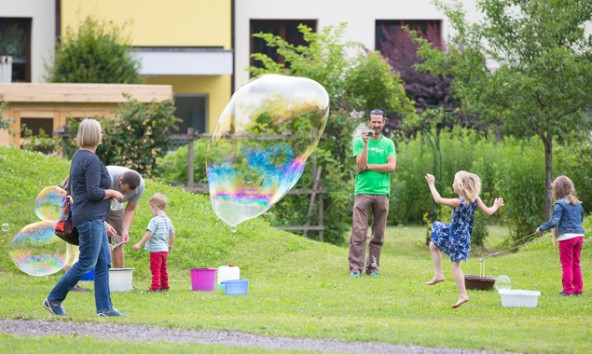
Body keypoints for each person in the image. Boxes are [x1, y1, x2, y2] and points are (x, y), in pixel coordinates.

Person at [44, 118, 127, 317]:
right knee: (87, 262)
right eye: (100, 131)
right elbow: (93, 192)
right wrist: (112, 193)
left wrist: (104, 221)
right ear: (92, 134)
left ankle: (105, 308)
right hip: (90, 218)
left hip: (93, 218)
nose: (101, 135)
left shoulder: (79, 156)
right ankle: (53, 298)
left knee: (103, 263)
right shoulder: (90, 159)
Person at [425, 171, 504, 308]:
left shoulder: (458, 202)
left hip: (456, 237)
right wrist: (495, 206)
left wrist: (431, 184)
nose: (453, 184)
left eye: (455, 182)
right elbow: (489, 211)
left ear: (461, 186)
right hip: (461, 235)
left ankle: (463, 294)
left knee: (456, 266)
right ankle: (438, 274)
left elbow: (438, 200)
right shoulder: (475, 199)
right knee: (433, 244)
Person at [348, 109, 397, 278]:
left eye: (379, 122)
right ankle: (355, 268)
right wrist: (366, 144)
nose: (376, 125)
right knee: (359, 231)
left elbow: (391, 167)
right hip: (363, 192)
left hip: (382, 193)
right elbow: (360, 166)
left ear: (384, 123)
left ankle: (373, 267)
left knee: (378, 232)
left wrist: (370, 166)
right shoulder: (359, 142)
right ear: (369, 123)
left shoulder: (389, 144)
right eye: (373, 122)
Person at [535, 176, 585, 296]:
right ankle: (578, 290)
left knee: (567, 264)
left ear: (556, 190)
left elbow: (554, 222)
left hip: (567, 238)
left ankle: (567, 290)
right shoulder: (578, 203)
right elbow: (581, 218)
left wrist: (541, 228)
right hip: (579, 236)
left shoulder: (559, 204)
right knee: (576, 263)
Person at [132, 193, 175, 292]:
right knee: (163, 269)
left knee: (155, 269)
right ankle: (165, 286)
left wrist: (139, 243)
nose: (151, 211)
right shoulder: (168, 220)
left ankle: (155, 287)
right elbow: (172, 233)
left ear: (154, 207)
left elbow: (149, 233)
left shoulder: (154, 220)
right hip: (164, 250)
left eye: (150, 208)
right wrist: (170, 244)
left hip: (156, 250)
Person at [105, 165, 145, 269]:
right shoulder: (107, 176)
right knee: (97, 237)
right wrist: (103, 223)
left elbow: (131, 208)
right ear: (120, 179)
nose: (125, 194)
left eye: (129, 192)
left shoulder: (140, 186)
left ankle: (120, 276)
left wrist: (125, 230)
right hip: (98, 203)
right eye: (123, 190)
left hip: (116, 207)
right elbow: (92, 201)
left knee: (118, 240)